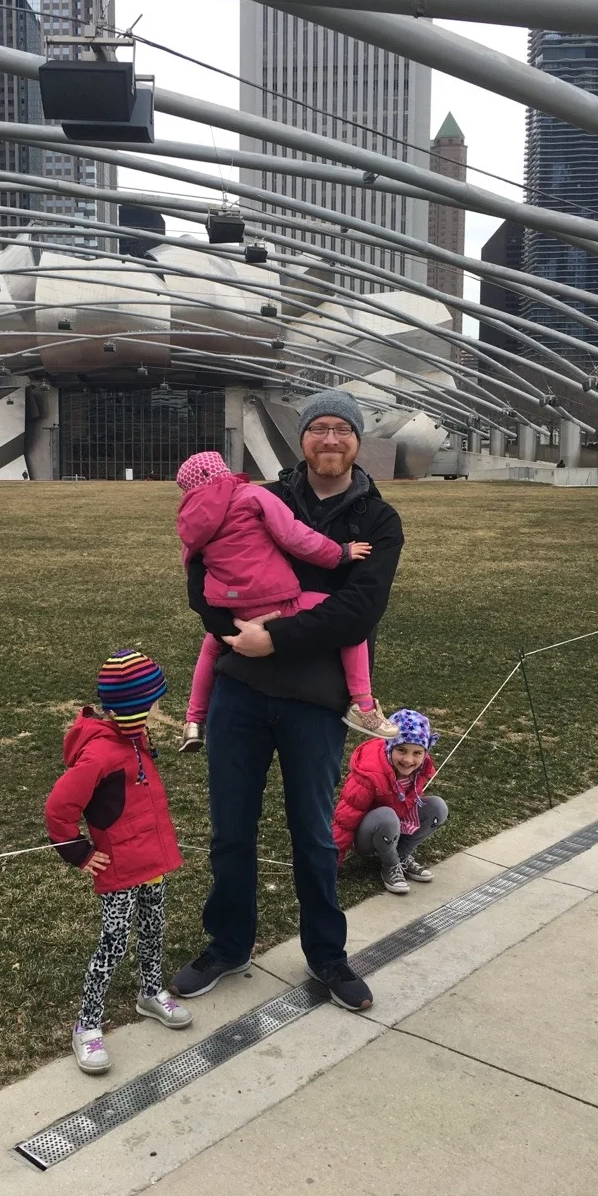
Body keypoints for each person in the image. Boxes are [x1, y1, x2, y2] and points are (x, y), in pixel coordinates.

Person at [171, 391, 404, 1013]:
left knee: (313, 834)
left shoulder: (377, 520)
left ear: (358, 440)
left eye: (342, 430)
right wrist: (232, 633)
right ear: (303, 439)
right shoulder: (262, 496)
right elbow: (200, 584)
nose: (330, 440)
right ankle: (227, 944)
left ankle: (328, 955)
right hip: (239, 692)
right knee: (230, 830)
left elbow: (360, 608)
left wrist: (270, 639)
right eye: (319, 429)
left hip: (315, 696)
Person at [174, 450, 399, 749]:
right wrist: (340, 553)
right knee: (353, 628)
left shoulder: (189, 517)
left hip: (232, 607)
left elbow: (191, 565)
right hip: (276, 600)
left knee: (210, 649)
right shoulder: (250, 495)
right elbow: (294, 536)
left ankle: (193, 721)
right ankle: (362, 704)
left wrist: (222, 615)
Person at [44, 650, 192, 1074]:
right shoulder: (101, 755)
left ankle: (150, 992)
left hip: (153, 862)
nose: (156, 708)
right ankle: (87, 1026)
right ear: (134, 707)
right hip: (120, 869)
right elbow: (58, 808)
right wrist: (78, 851)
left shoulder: (134, 738)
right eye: (151, 702)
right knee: (113, 941)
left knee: (152, 928)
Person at [332, 709, 448, 895]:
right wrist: (331, 861)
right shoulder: (370, 772)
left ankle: (401, 856)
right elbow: (345, 820)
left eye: (417, 752)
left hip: (395, 824)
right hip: (367, 834)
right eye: (401, 750)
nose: (409, 760)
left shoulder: (422, 767)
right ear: (389, 746)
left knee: (438, 808)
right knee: (387, 816)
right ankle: (390, 865)